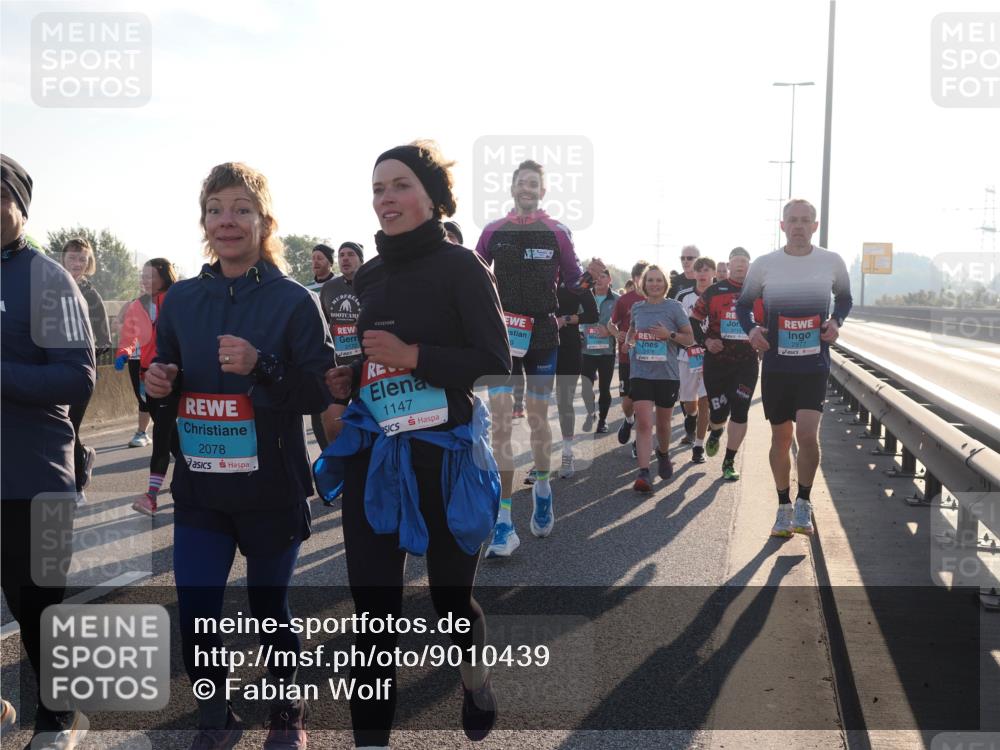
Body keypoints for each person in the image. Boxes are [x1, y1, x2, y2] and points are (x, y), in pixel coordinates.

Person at [320, 141, 510, 748]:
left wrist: (414, 358)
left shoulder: (462, 268)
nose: (386, 199)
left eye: (400, 185)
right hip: (379, 459)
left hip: (446, 457)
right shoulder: (367, 276)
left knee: (452, 604)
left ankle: (473, 676)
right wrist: (347, 380)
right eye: (378, 188)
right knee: (373, 617)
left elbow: (494, 364)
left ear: (431, 196)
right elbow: (370, 362)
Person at [145, 162, 335, 749]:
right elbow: (164, 391)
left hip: (269, 488)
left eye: (241, 208)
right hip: (201, 488)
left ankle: (286, 710)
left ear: (264, 220)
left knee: (267, 607)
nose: (228, 220)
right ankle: (215, 714)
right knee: (197, 606)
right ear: (204, 221)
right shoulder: (180, 301)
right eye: (216, 209)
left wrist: (264, 367)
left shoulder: (294, 302)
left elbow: (320, 388)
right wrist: (157, 387)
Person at [1, 153, 95, 749]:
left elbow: (77, 378)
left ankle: (59, 720)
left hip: (35, 472)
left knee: (39, 609)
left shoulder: (46, 277)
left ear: (18, 206)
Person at [475, 158, 603, 557]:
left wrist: (590, 281)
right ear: (512, 188)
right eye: (521, 183)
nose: (527, 189)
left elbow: (573, 281)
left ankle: (543, 486)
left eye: (534, 184)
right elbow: (474, 274)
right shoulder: (493, 231)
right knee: (499, 425)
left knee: (536, 419)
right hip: (503, 337)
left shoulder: (557, 231)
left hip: (544, 335)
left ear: (542, 192)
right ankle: (503, 519)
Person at [736, 198, 852, 537]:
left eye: (805, 220)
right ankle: (783, 505)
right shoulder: (764, 264)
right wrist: (753, 330)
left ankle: (804, 500)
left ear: (815, 225)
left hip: (814, 363)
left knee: (807, 434)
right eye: (793, 220)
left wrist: (836, 321)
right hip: (776, 364)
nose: (799, 225)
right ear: (782, 225)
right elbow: (743, 306)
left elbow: (844, 299)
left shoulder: (831, 261)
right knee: (781, 437)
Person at [689, 247, 763, 481]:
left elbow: (770, 321)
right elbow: (694, 320)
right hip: (717, 362)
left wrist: (763, 338)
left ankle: (729, 461)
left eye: (744, 261)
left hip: (746, 364)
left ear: (749, 266)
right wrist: (706, 340)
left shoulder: (760, 293)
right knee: (719, 411)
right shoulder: (713, 291)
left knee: (740, 411)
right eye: (736, 261)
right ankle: (716, 429)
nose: (740, 265)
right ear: (729, 266)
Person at [114, 258, 179, 516]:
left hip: (169, 373)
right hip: (143, 374)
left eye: (151, 275)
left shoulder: (177, 301)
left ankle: (151, 496)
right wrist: (123, 352)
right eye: (143, 275)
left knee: (162, 433)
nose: (145, 280)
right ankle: (190, 475)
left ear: (165, 276)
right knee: (170, 435)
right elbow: (129, 338)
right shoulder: (135, 306)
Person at [625, 265, 694, 492]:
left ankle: (663, 453)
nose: (654, 284)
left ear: (665, 284)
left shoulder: (674, 308)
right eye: (650, 280)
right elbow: (631, 332)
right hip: (641, 372)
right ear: (643, 284)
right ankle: (643, 473)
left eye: (658, 280)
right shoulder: (637, 307)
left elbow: (689, 339)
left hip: (667, 375)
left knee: (663, 424)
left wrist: (669, 335)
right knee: (644, 422)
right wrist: (629, 341)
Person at [61, 237, 111, 505]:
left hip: (80, 373)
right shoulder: (50, 288)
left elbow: (104, 340)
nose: (77, 263)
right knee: (58, 427)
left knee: (70, 427)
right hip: (52, 372)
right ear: (63, 259)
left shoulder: (91, 295)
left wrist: (81, 355)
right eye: (72, 258)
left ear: (88, 263)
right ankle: (82, 460)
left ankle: (78, 485)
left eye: (82, 258)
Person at [312, 241, 364, 458]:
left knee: (370, 424)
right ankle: (337, 468)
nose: (345, 258)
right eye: (342, 254)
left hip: (367, 366)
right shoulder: (329, 288)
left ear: (361, 259)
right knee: (332, 424)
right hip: (339, 366)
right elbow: (324, 325)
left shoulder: (373, 283)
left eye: (351, 254)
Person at [554, 281, 599, 478]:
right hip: (537, 345)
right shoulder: (534, 268)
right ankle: (540, 461)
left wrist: (565, 319)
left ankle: (567, 454)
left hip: (568, 346)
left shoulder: (576, 280)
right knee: (536, 403)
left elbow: (592, 314)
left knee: (564, 402)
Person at [607, 260, 649, 458]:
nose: (645, 282)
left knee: (644, 404)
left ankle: (637, 442)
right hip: (626, 359)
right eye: (641, 278)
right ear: (634, 280)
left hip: (649, 361)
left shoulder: (658, 300)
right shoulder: (625, 301)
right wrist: (618, 335)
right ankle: (629, 420)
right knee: (627, 403)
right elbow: (610, 324)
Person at [676, 257, 716, 462]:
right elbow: (675, 322)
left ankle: (698, 447)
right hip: (687, 355)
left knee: (705, 400)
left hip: (711, 357)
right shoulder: (684, 296)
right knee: (689, 402)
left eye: (706, 270)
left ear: (713, 273)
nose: (702, 273)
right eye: (699, 270)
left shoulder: (719, 294)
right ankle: (691, 417)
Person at [581, 267, 618, 433]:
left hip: (606, 352)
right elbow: (576, 317)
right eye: (597, 276)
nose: (600, 279)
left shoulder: (617, 299)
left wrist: (610, 331)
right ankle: (591, 413)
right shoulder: (584, 296)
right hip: (586, 350)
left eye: (603, 276)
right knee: (586, 388)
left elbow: (625, 322)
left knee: (604, 388)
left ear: (609, 280)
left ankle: (602, 420)